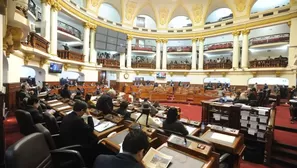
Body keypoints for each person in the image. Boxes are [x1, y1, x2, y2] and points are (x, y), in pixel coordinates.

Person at [60, 101, 112, 167]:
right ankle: (93, 159)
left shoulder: (68, 115)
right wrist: (89, 115)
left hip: (66, 140)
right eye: (84, 111)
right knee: (96, 140)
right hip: (75, 144)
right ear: (82, 110)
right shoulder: (77, 120)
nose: (84, 113)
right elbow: (90, 129)